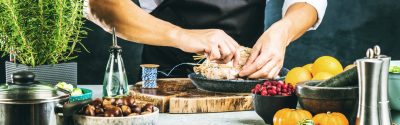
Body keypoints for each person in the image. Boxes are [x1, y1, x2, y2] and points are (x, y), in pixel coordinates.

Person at [86, 0, 327, 79]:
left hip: (245, 79)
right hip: (162, 77)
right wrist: (180, 35)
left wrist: (283, 30)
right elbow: (98, 4)